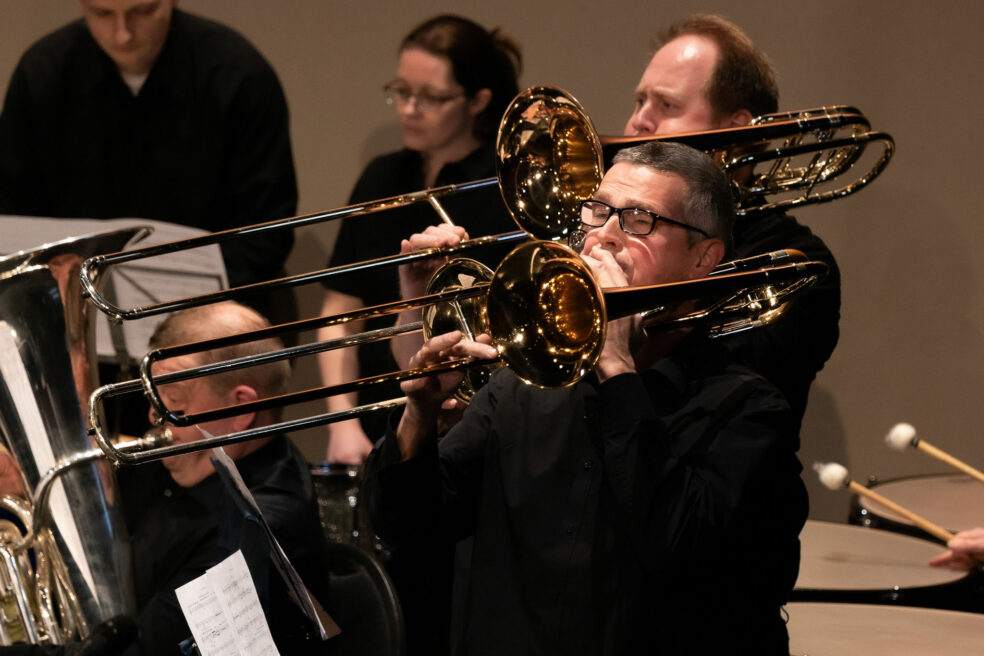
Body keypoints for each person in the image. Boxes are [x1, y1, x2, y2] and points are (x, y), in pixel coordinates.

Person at [365, 141, 809, 654]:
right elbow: (407, 526)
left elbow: (680, 550)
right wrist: (418, 415)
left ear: (703, 259)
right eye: (597, 211)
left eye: (640, 220)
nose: (604, 235)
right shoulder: (523, 382)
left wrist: (616, 367)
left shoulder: (748, 410)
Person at [0, 301, 330, 656]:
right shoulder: (188, 457)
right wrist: (27, 486)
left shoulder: (255, 533)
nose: (153, 419)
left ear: (240, 409)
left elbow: (140, 652)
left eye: (173, 403)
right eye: (153, 399)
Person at [0, 0, 297, 325]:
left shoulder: (237, 73)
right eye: (103, 14)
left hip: (214, 314)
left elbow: (267, 229)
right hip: (73, 313)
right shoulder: (43, 73)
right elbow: (14, 212)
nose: (123, 34)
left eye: (142, 12)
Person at [622, 14, 841, 435]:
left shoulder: (798, 263)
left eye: (667, 106)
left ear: (735, 131)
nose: (638, 122)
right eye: (639, 102)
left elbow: (722, 392)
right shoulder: (607, 227)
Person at [317, 14, 522, 465]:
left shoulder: (505, 191)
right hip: (372, 417)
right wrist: (342, 423)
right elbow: (340, 312)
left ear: (478, 101)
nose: (409, 109)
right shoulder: (382, 177)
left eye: (430, 97)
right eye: (402, 91)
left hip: (469, 423)